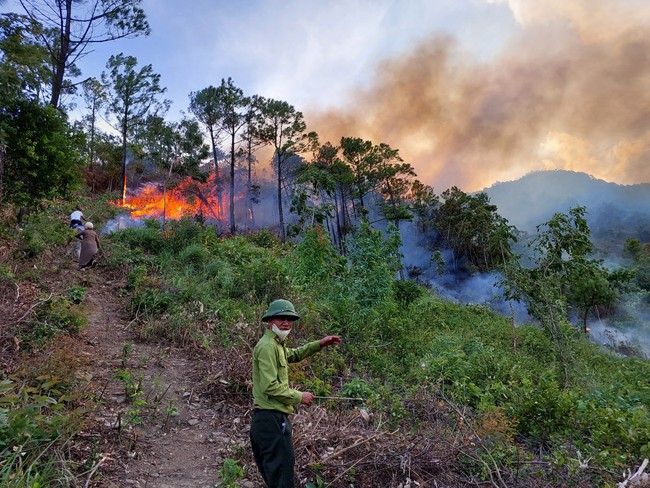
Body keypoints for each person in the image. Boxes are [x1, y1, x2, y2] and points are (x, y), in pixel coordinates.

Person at [250, 299, 341, 488]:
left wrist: (320, 344)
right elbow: (269, 387)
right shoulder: (267, 346)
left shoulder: (276, 344)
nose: (286, 323)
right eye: (281, 318)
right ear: (270, 321)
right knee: (282, 476)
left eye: (289, 319)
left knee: (278, 475)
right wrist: (299, 396)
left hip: (270, 420)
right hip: (271, 420)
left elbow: (293, 354)